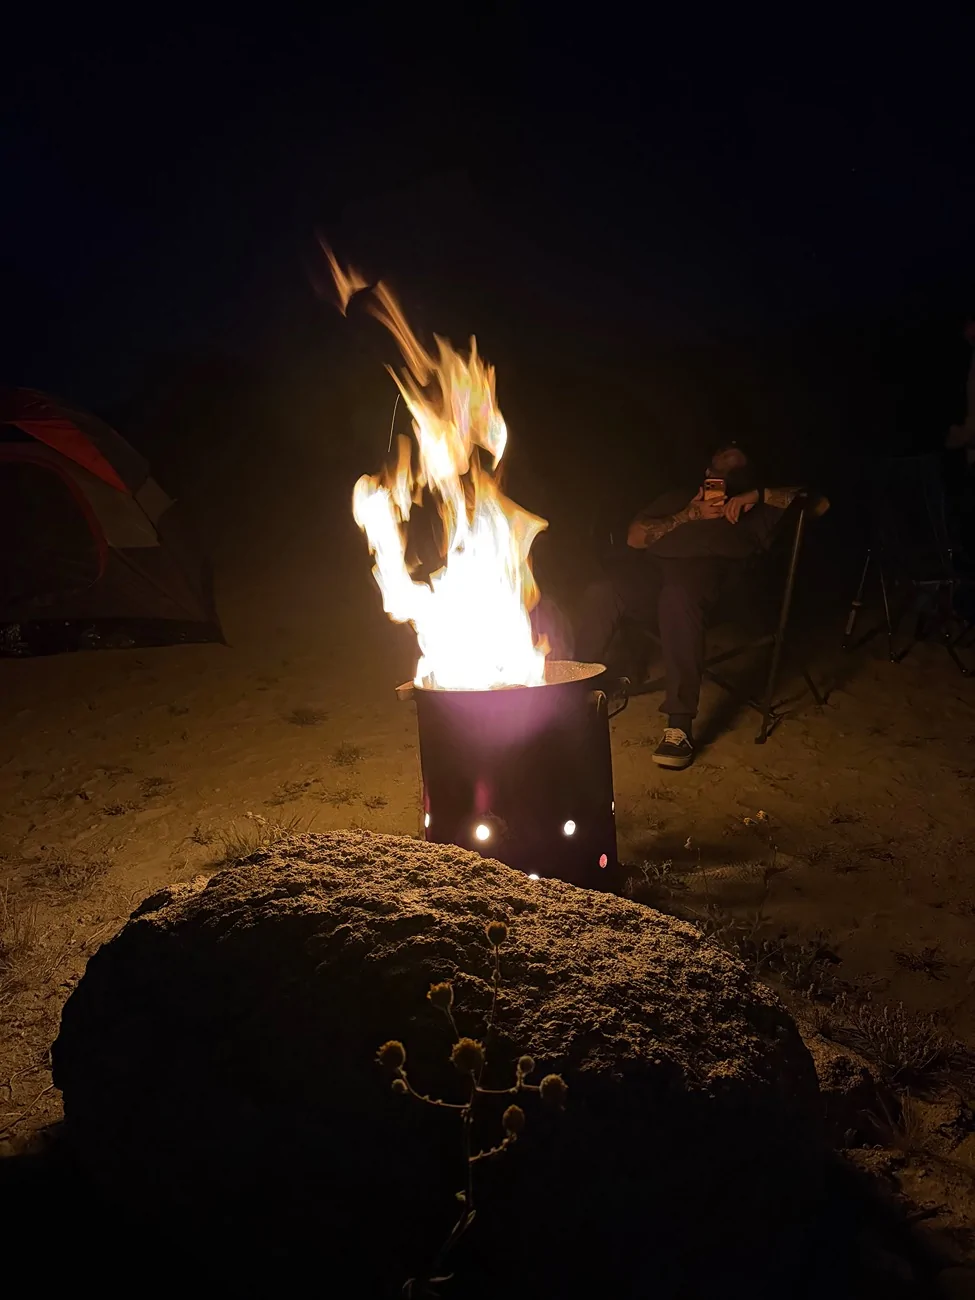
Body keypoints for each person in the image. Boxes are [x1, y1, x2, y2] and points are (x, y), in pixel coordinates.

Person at [575, 444, 802, 769]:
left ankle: (678, 725)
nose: (729, 463)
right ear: (708, 474)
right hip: (652, 580)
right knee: (602, 591)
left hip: (711, 587)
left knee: (678, 597)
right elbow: (634, 538)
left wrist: (756, 495)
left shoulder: (755, 509)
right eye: (723, 460)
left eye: (738, 463)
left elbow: (816, 504)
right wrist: (688, 514)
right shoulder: (678, 498)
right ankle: (570, 692)